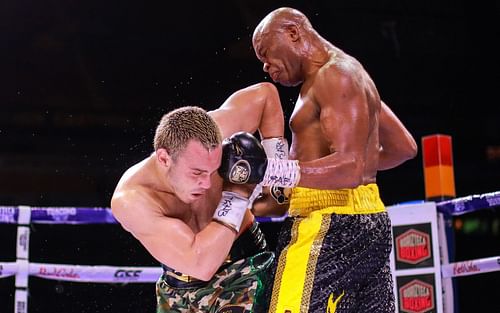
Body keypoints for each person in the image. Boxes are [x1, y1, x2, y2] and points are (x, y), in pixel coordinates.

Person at [250, 7, 418, 313]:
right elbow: (402, 148)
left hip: (328, 224)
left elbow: (351, 167)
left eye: (264, 51)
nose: (264, 65)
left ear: (292, 32)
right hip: (369, 222)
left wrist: (270, 169)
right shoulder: (352, 75)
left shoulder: (333, 76)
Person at [110, 82, 287, 313]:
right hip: (178, 291)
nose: (206, 183)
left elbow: (265, 95)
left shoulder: (219, 130)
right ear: (164, 159)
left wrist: (276, 189)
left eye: (213, 171)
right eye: (197, 173)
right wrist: (238, 193)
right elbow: (201, 264)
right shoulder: (133, 199)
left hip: (245, 269)